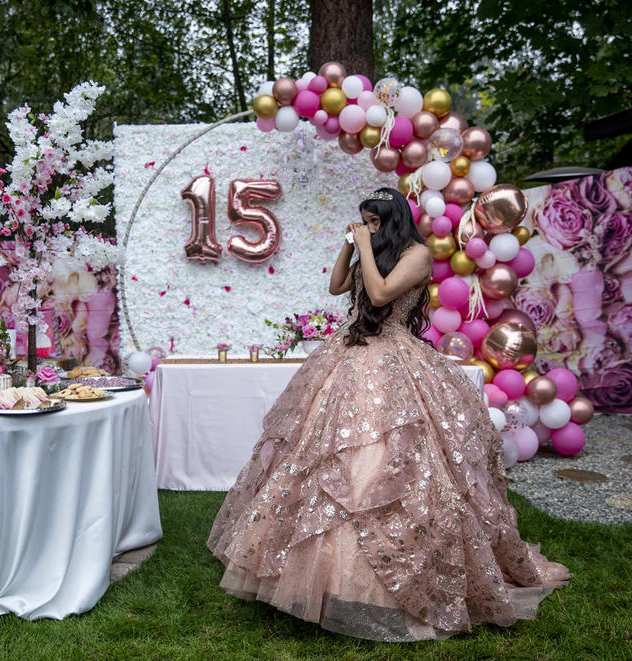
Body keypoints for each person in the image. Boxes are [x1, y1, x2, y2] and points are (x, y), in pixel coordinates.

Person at [207, 187, 569, 642]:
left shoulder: (417, 255)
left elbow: (378, 297)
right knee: (325, 453)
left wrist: (362, 246)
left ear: (393, 219)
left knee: (380, 453)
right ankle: (317, 580)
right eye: (364, 221)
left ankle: (380, 585)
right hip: (351, 353)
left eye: (374, 222)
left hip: (393, 358)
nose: (368, 228)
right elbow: (338, 286)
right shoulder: (371, 249)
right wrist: (349, 244)